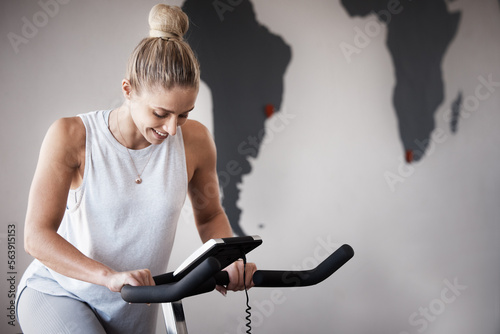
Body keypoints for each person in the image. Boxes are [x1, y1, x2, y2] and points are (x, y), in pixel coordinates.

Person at [16, 4, 256, 333]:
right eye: (161, 113)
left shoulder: (195, 140)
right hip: (61, 293)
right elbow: (36, 236)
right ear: (128, 90)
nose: (173, 129)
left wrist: (230, 260)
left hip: (136, 303)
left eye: (184, 114)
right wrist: (108, 276)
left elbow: (210, 214)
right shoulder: (72, 136)